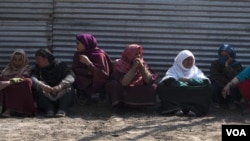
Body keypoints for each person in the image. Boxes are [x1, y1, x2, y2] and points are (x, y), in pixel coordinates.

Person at [157, 50, 212, 117]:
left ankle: (194, 109)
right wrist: (180, 84)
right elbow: (169, 80)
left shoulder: (195, 70)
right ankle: (176, 108)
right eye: (187, 59)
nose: (190, 62)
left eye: (191, 59)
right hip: (178, 92)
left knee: (208, 88)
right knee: (162, 87)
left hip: (193, 93)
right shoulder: (173, 70)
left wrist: (189, 80)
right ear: (180, 60)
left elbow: (203, 81)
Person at [105, 44, 158, 108]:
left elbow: (149, 80)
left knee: (153, 86)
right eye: (135, 54)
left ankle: (142, 106)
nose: (138, 56)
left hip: (137, 87)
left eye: (139, 53)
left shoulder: (142, 63)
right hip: (124, 88)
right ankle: (120, 106)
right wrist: (134, 68)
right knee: (113, 84)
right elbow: (124, 82)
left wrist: (142, 68)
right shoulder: (119, 64)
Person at [31, 48, 75, 117]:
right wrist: (43, 86)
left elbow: (70, 76)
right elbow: (33, 79)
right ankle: (49, 109)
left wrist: (60, 86)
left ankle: (62, 109)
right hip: (46, 94)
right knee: (37, 89)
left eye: (38, 59)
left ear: (45, 59)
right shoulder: (37, 69)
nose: (36, 62)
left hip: (60, 92)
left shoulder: (60, 65)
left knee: (70, 88)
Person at [72, 33, 112, 104]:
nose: (76, 46)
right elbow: (75, 69)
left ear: (86, 43)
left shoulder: (99, 55)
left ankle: (99, 97)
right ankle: (82, 97)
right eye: (76, 43)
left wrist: (89, 63)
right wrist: (87, 72)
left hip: (97, 81)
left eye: (78, 43)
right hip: (83, 79)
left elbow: (103, 74)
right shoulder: (78, 54)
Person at [0, 49, 36, 117]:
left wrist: (9, 82)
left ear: (24, 60)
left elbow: (23, 78)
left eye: (20, 60)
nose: (17, 62)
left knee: (27, 81)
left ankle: (10, 109)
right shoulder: (8, 69)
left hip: (18, 87)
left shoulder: (26, 68)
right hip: (7, 88)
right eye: (15, 59)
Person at [209, 44, 243, 109]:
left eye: (226, 56)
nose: (223, 57)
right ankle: (216, 102)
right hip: (220, 87)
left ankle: (232, 102)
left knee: (235, 85)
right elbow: (214, 76)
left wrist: (227, 66)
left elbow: (236, 77)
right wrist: (225, 84)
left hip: (231, 90)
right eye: (222, 55)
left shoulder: (237, 65)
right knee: (214, 84)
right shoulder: (215, 64)